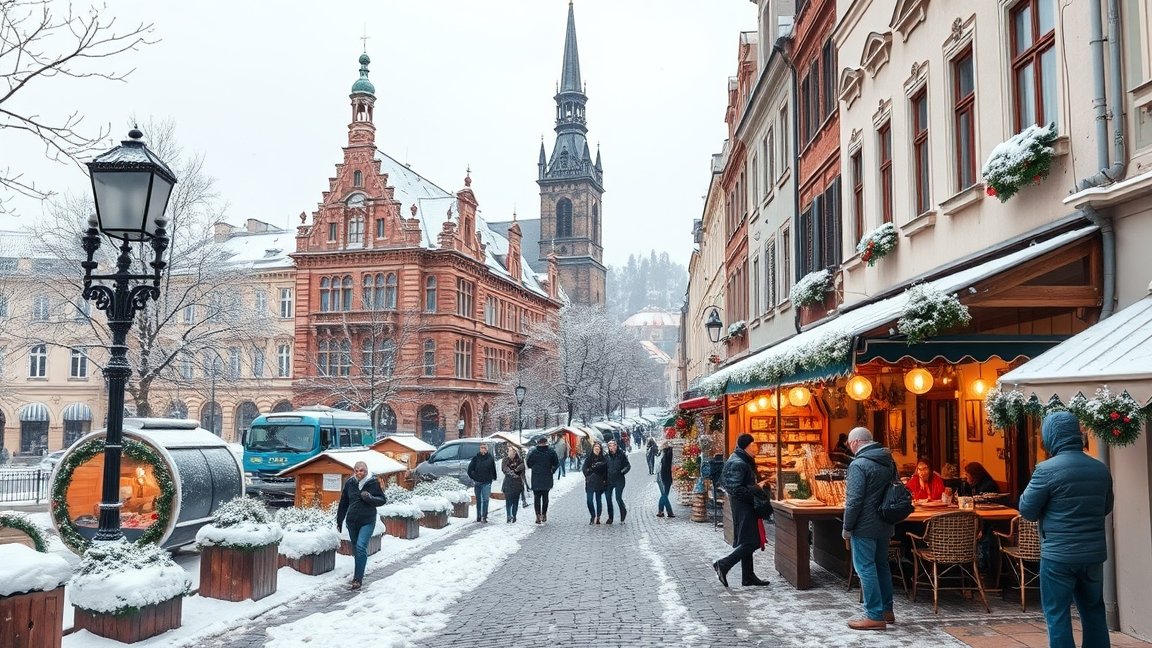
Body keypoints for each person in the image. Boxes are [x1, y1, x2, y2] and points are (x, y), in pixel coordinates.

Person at [1019, 411, 1114, 648]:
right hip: (1092, 554)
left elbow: (1027, 510)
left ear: (1051, 436)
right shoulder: (1100, 468)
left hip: (1058, 556)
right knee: (1094, 611)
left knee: (1057, 614)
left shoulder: (1046, 469)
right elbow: (1106, 507)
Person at [842, 426, 896, 631]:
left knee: (865, 568)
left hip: (864, 525)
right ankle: (887, 610)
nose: (849, 448)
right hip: (885, 523)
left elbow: (854, 501)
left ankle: (874, 615)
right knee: (881, 566)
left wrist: (847, 527)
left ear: (855, 442)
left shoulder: (859, 464)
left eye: (849, 444)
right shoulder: (888, 460)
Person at [712, 433, 770, 588]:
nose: (756, 447)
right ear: (747, 446)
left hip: (746, 505)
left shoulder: (743, 460)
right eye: (754, 444)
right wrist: (758, 487)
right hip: (743, 506)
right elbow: (735, 489)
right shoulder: (738, 462)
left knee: (747, 540)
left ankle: (748, 576)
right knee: (752, 542)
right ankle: (723, 565)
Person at [335, 461, 388, 590]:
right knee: (356, 549)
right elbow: (343, 502)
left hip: (367, 521)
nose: (359, 473)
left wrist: (370, 498)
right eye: (356, 470)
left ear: (366, 471)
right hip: (352, 522)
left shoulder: (372, 482)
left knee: (360, 546)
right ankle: (359, 570)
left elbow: (382, 500)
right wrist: (339, 520)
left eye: (362, 470)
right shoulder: (350, 483)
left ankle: (357, 579)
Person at [526, 436, 559, 524]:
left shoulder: (533, 452)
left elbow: (529, 464)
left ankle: (538, 516)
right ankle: (543, 514)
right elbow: (556, 463)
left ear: (538, 443)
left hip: (536, 477)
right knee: (545, 497)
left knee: (537, 497)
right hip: (547, 477)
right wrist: (552, 470)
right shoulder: (551, 452)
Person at [466, 443, 497, 523]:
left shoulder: (490, 459)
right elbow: (470, 470)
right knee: (479, 500)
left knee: (486, 500)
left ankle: (484, 516)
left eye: (485, 448)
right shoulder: (475, 458)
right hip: (478, 482)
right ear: (480, 449)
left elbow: (493, 470)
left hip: (486, 482)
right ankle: (479, 516)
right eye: (482, 448)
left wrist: (492, 478)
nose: (483, 449)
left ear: (487, 449)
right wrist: (474, 476)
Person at [603, 439, 631, 524]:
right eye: (610, 446)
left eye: (613, 446)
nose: (612, 448)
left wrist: (622, 472)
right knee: (608, 499)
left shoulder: (621, 454)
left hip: (619, 480)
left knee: (618, 498)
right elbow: (603, 467)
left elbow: (628, 466)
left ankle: (623, 513)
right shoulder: (606, 456)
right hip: (609, 480)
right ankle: (610, 517)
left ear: (616, 446)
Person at [582, 441, 608, 524]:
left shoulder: (603, 459)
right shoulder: (588, 459)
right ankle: (592, 515)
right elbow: (584, 469)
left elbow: (605, 470)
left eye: (598, 448)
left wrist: (604, 479)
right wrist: (589, 473)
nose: (597, 449)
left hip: (600, 482)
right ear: (593, 449)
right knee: (589, 500)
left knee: (598, 500)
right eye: (595, 447)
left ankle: (598, 517)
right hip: (590, 482)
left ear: (600, 449)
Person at [501, 445, 526, 523]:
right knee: (508, 500)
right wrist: (510, 472)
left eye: (512, 451)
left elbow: (522, 468)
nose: (510, 452)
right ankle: (509, 515)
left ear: (515, 452)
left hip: (517, 483)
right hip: (508, 483)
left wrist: (516, 470)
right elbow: (504, 469)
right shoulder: (505, 460)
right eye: (509, 451)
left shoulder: (519, 460)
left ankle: (514, 515)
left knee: (515, 501)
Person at [656, 440, 675, 518]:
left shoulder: (664, 454)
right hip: (662, 477)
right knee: (664, 495)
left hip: (663, 477)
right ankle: (669, 512)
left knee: (664, 495)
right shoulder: (663, 454)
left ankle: (661, 511)